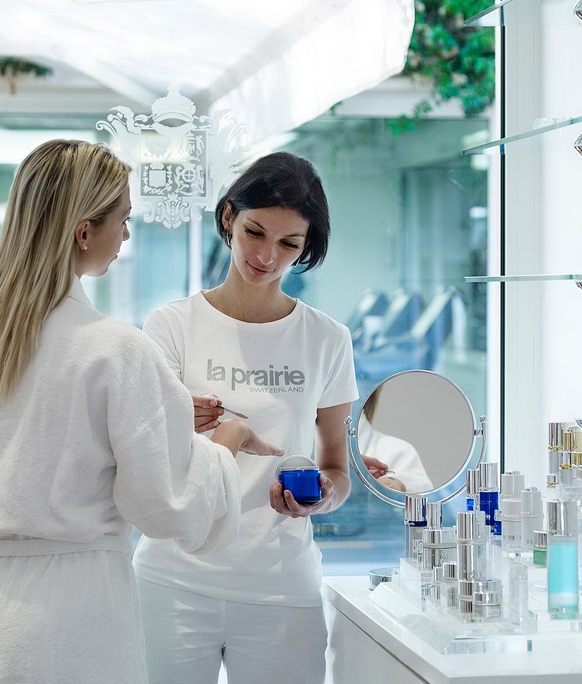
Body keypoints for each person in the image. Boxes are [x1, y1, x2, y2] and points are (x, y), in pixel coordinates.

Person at [0, 139, 280, 684]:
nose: (127, 236)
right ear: (83, 232)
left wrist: (159, 410)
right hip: (69, 619)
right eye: (123, 220)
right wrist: (227, 440)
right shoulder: (114, 348)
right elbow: (165, 507)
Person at [133, 151, 358, 684]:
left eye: (289, 244)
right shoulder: (170, 326)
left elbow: (337, 468)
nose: (266, 256)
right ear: (229, 217)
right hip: (173, 579)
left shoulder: (327, 339)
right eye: (255, 232)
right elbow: (141, 456)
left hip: (281, 586)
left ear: (307, 247)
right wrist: (173, 420)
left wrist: (324, 496)